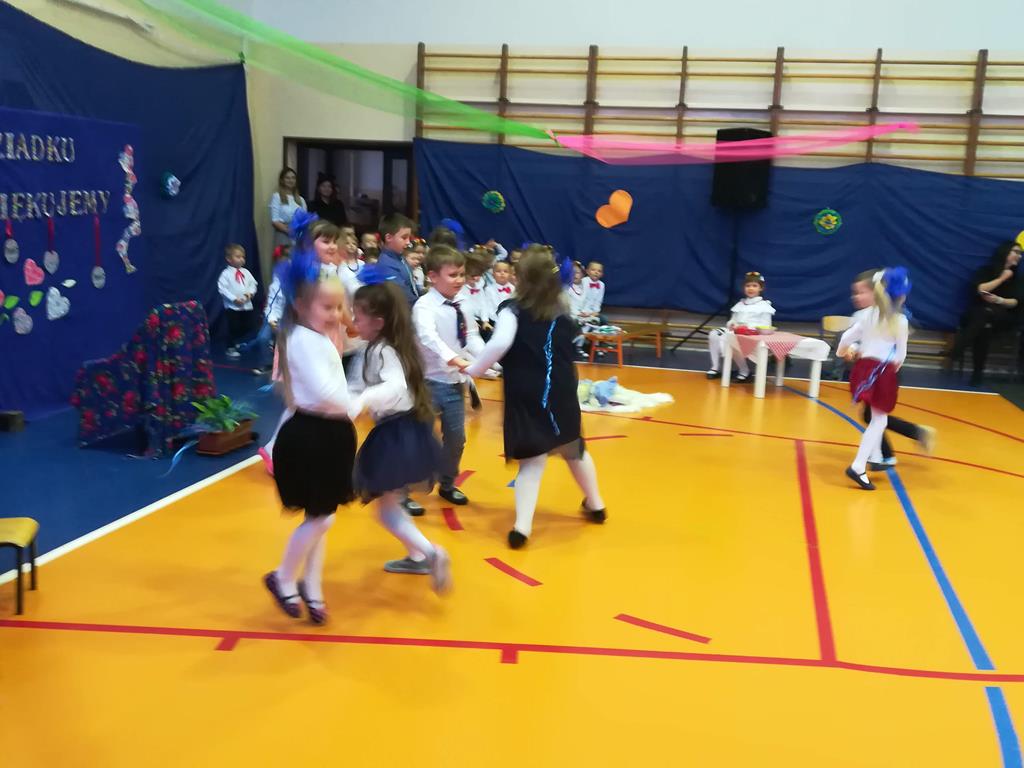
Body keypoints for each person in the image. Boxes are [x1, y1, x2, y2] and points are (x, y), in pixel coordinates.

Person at [464, 246, 607, 548]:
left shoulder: (512, 309)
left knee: (532, 461)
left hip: (528, 391)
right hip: (562, 389)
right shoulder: (564, 311)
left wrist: (473, 370)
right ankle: (596, 505)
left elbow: (499, 344)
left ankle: (522, 528)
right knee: (573, 448)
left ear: (521, 279)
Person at [263, 249, 355, 625]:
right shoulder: (301, 339)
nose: (335, 315)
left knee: (322, 514)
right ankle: (284, 576)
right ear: (301, 306)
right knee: (322, 518)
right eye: (327, 307)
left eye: (339, 307)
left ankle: (312, 586)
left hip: (330, 435)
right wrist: (363, 399)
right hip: (312, 436)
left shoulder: (318, 337)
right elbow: (327, 394)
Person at [348, 273, 452, 592]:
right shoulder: (383, 346)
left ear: (378, 322)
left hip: (396, 434)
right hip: (407, 431)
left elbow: (394, 387)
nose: (353, 321)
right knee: (391, 504)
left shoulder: (383, 351)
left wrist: (362, 400)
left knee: (386, 511)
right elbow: (358, 384)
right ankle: (418, 556)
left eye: (358, 316)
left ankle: (431, 553)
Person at [413, 245, 484, 507]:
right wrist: (455, 359)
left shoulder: (462, 302)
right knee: (420, 439)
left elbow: (471, 336)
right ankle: (404, 492)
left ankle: (447, 483)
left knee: (456, 439)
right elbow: (428, 338)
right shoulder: (424, 306)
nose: (459, 280)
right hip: (427, 383)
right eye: (453, 275)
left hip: (455, 383)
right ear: (433, 276)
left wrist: (488, 359)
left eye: (461, 274)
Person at [848, 270, 936, 468]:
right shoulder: (863, 316)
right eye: (855, 293)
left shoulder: (892, 317)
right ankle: (892, 449)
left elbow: (892, 344)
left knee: (874, 415)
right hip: (870, 372)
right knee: (874, 415)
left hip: (885, 371)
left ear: (878, 293)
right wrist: (853, 348)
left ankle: (888, 454)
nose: (857, 297)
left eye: (862, 292)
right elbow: (857, 339)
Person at [837, 267, 912, 491]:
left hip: (863, 369)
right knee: (879, 420)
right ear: (900, 296)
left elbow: (846, 337)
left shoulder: (867, 315)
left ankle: (869, 460)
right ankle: (858, 466)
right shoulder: (900, 321)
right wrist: (891, 369)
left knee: (877, 419)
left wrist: (841, 352)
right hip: (882, 370)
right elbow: (901, 355)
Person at [949, 240, 1021, 385]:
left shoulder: (1018, 278)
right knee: (984, 324)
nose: (1019, 256)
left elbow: (1016, 302)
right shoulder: (986, 271)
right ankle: (977, 374)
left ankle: (959, 348)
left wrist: (998, 300)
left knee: (985, 317)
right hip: (978, 314)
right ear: (1005, 252)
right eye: (1016, 252)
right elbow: (980, 289)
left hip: (1003, 317)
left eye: (1021, 254)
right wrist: (1001, 278)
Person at [706, 271, 775, 382]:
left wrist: (746, 327)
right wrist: (732, 324)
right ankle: (715, 367)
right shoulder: (740, 304)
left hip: (752, 335)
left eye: (754, 286)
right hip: (737, 331)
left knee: (733, 340)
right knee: (714, 334)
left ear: (761, 288)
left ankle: (744, 371)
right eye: (748, 286)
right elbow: (732, 320)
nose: (751, 288)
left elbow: (766, 326)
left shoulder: (765, 305)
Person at [217, 243, 258, 359]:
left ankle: (239, 342)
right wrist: (234, 299)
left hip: (246, 305)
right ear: (229, 259)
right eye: (238, 257)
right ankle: (230, 347)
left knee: (247, 326)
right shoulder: (226, 274)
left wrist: (250, 293)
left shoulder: (246, 272)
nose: (241, 259)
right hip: (233, 307)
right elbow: (222, 288)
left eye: (243, 257)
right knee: (233, 328)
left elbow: (253, 284)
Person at [374, 213, 418, 305]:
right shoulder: (385, 265)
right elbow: (404, 297)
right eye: (404, 237)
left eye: (409, 238)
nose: (408, 242)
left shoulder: (400, 257)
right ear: (388, 238)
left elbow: (412, 286)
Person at [269, 167, 306, 249]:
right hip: (283, 235)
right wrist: (290, 231)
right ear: (282, 180)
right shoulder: (277, 197)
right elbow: (275, 221)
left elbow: (304, 220)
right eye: (287, 178)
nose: (291, 180)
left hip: (298, 237)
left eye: (293, 178)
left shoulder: (301, 200)